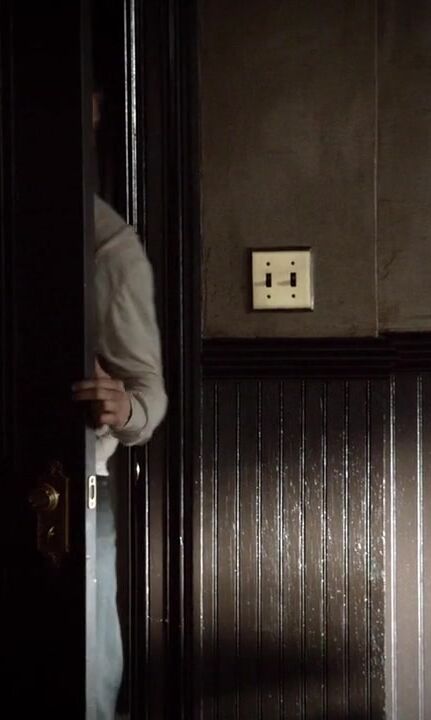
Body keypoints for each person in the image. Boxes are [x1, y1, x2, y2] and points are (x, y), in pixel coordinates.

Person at [71, 86, 168, 720]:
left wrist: (122, 408)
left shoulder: (108, 247)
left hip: (71, 490)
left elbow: (148, 394)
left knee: (83, 676)